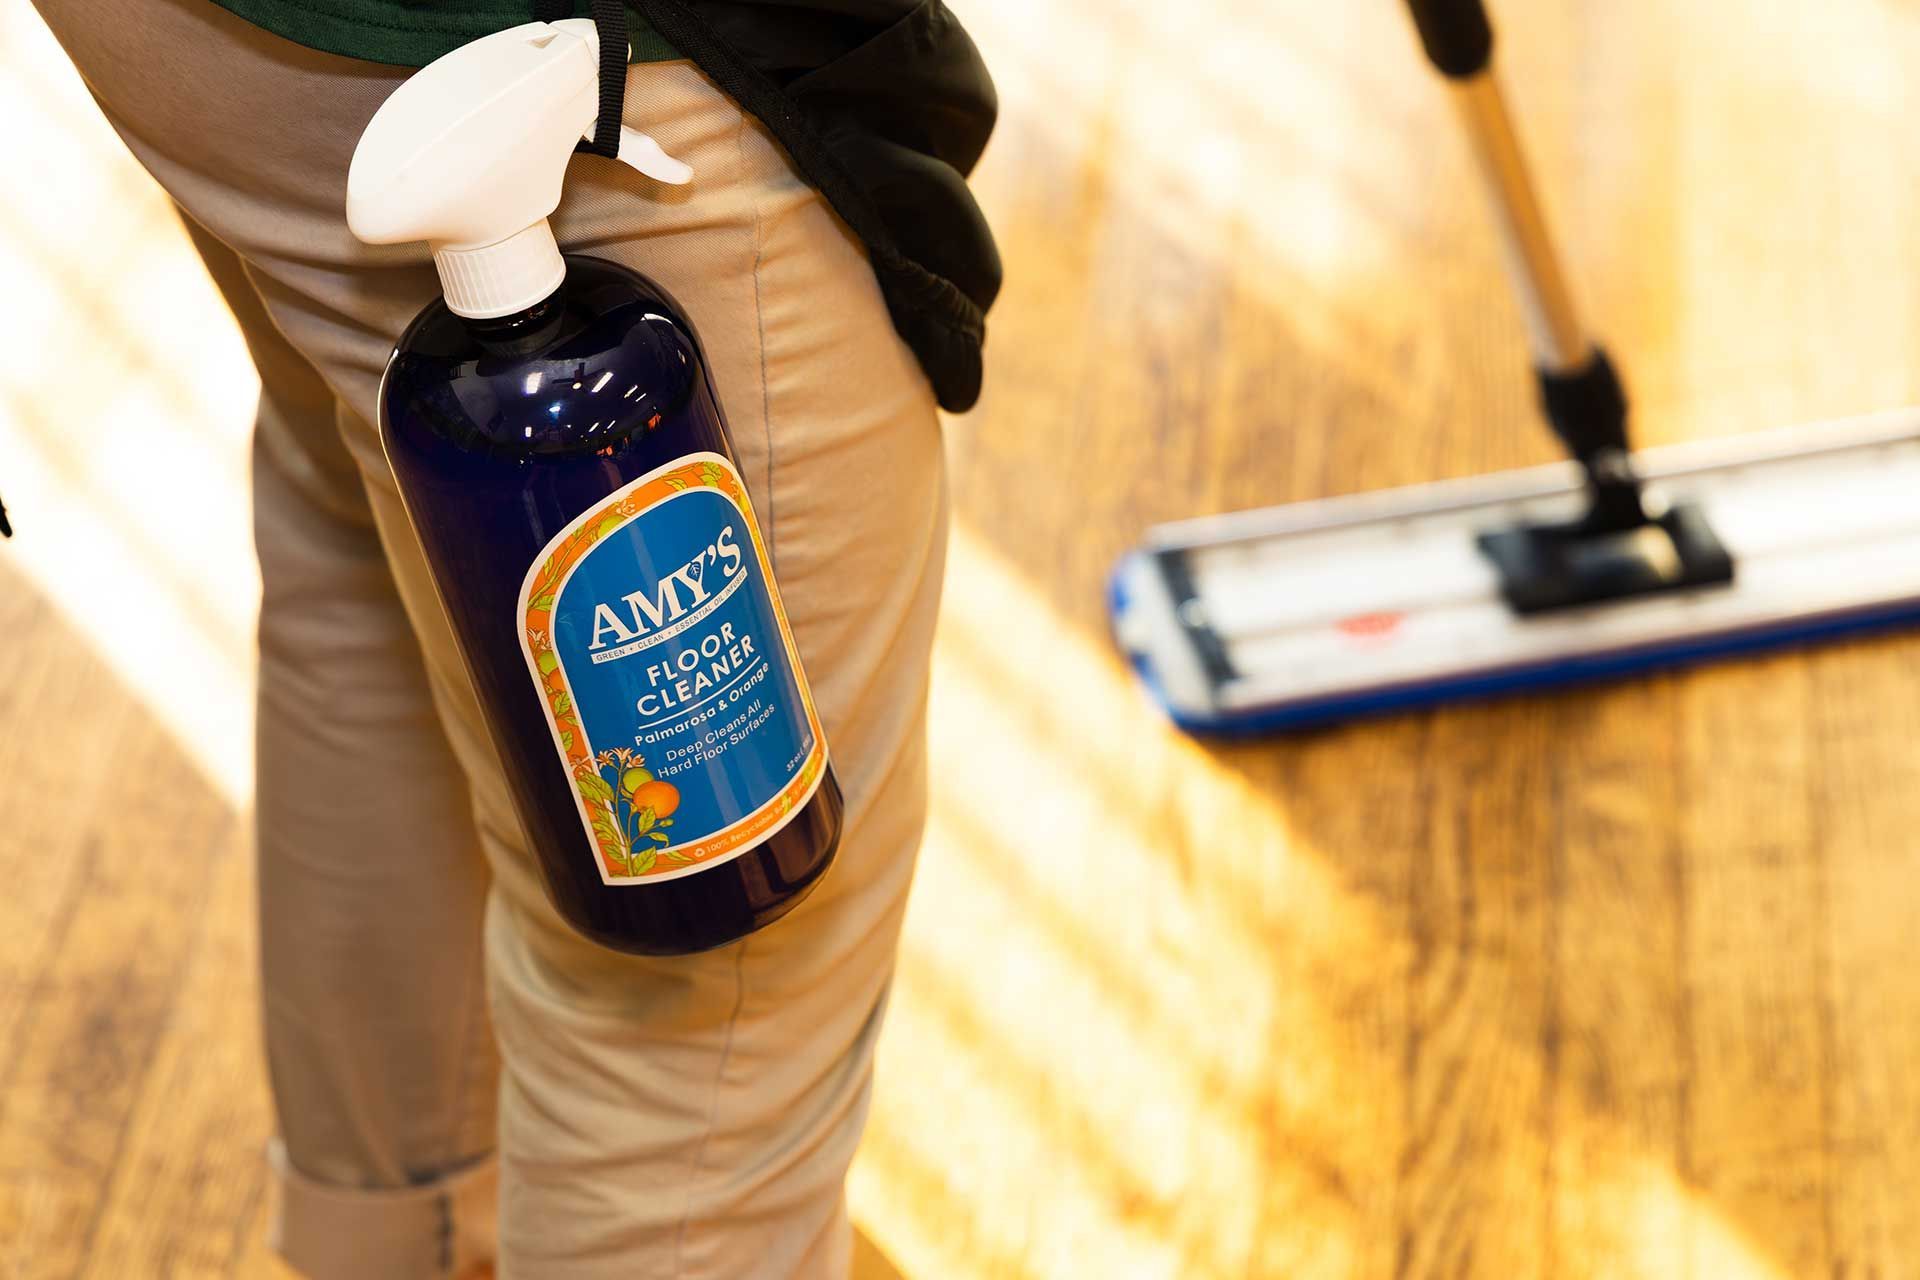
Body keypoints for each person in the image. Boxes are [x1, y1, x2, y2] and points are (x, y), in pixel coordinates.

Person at [27, 0, 999, 1276]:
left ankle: (401, 1245)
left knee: (375, 555)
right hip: (513, 52)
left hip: (194, 48)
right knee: (715, 996)